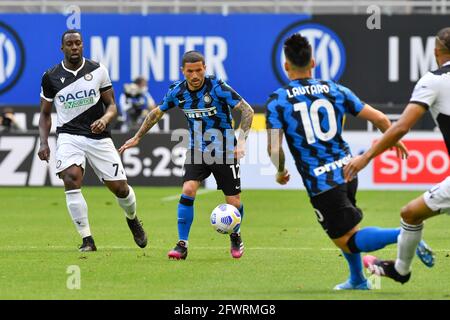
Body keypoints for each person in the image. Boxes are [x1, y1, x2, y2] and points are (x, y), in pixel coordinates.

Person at [265, 33, 433, 290]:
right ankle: (357, 279)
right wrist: (393, 139)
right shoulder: (334, 89)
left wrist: (280, 171)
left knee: (345, 239)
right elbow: (378, 118)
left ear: (286, 66)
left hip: (322, 181)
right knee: (347, 230)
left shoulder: (278, 100)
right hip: (348, 170)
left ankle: (404, 236)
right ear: (314, 62)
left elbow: (274, 146)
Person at [119, 50, 254, 260]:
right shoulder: (177, 92)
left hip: (225, 150)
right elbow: (156, 113)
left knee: (233, 202)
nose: (195, 75)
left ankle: (235, 235)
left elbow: (247, 111)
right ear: (183, 71)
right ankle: (182, 244)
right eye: (190, 71)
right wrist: (137, 137)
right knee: (189, 189)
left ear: (205, 68)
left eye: (199, 70)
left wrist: (242, 141)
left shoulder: (217, 87)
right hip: (197, 149)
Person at [343, 27, 450, 284]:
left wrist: (366, 157)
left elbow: (401, 126)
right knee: (411, 214)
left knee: (410, 215)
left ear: (436, 52)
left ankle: (401, 270)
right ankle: (400, 270)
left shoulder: (433, 81)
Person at [38, 29, 147, 252]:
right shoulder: (50, 76)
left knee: (120, 189)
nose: (74, 47)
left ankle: (132, 218)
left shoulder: (97, 70)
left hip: (98, 136)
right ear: (62, 48)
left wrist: (106, 119)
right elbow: (45, 114)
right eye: (70, 44)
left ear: (83, 45)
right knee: (71, 178)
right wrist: (43, 142)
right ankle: (87, 239)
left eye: (78, 43)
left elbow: (112, 106)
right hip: (69, 135)